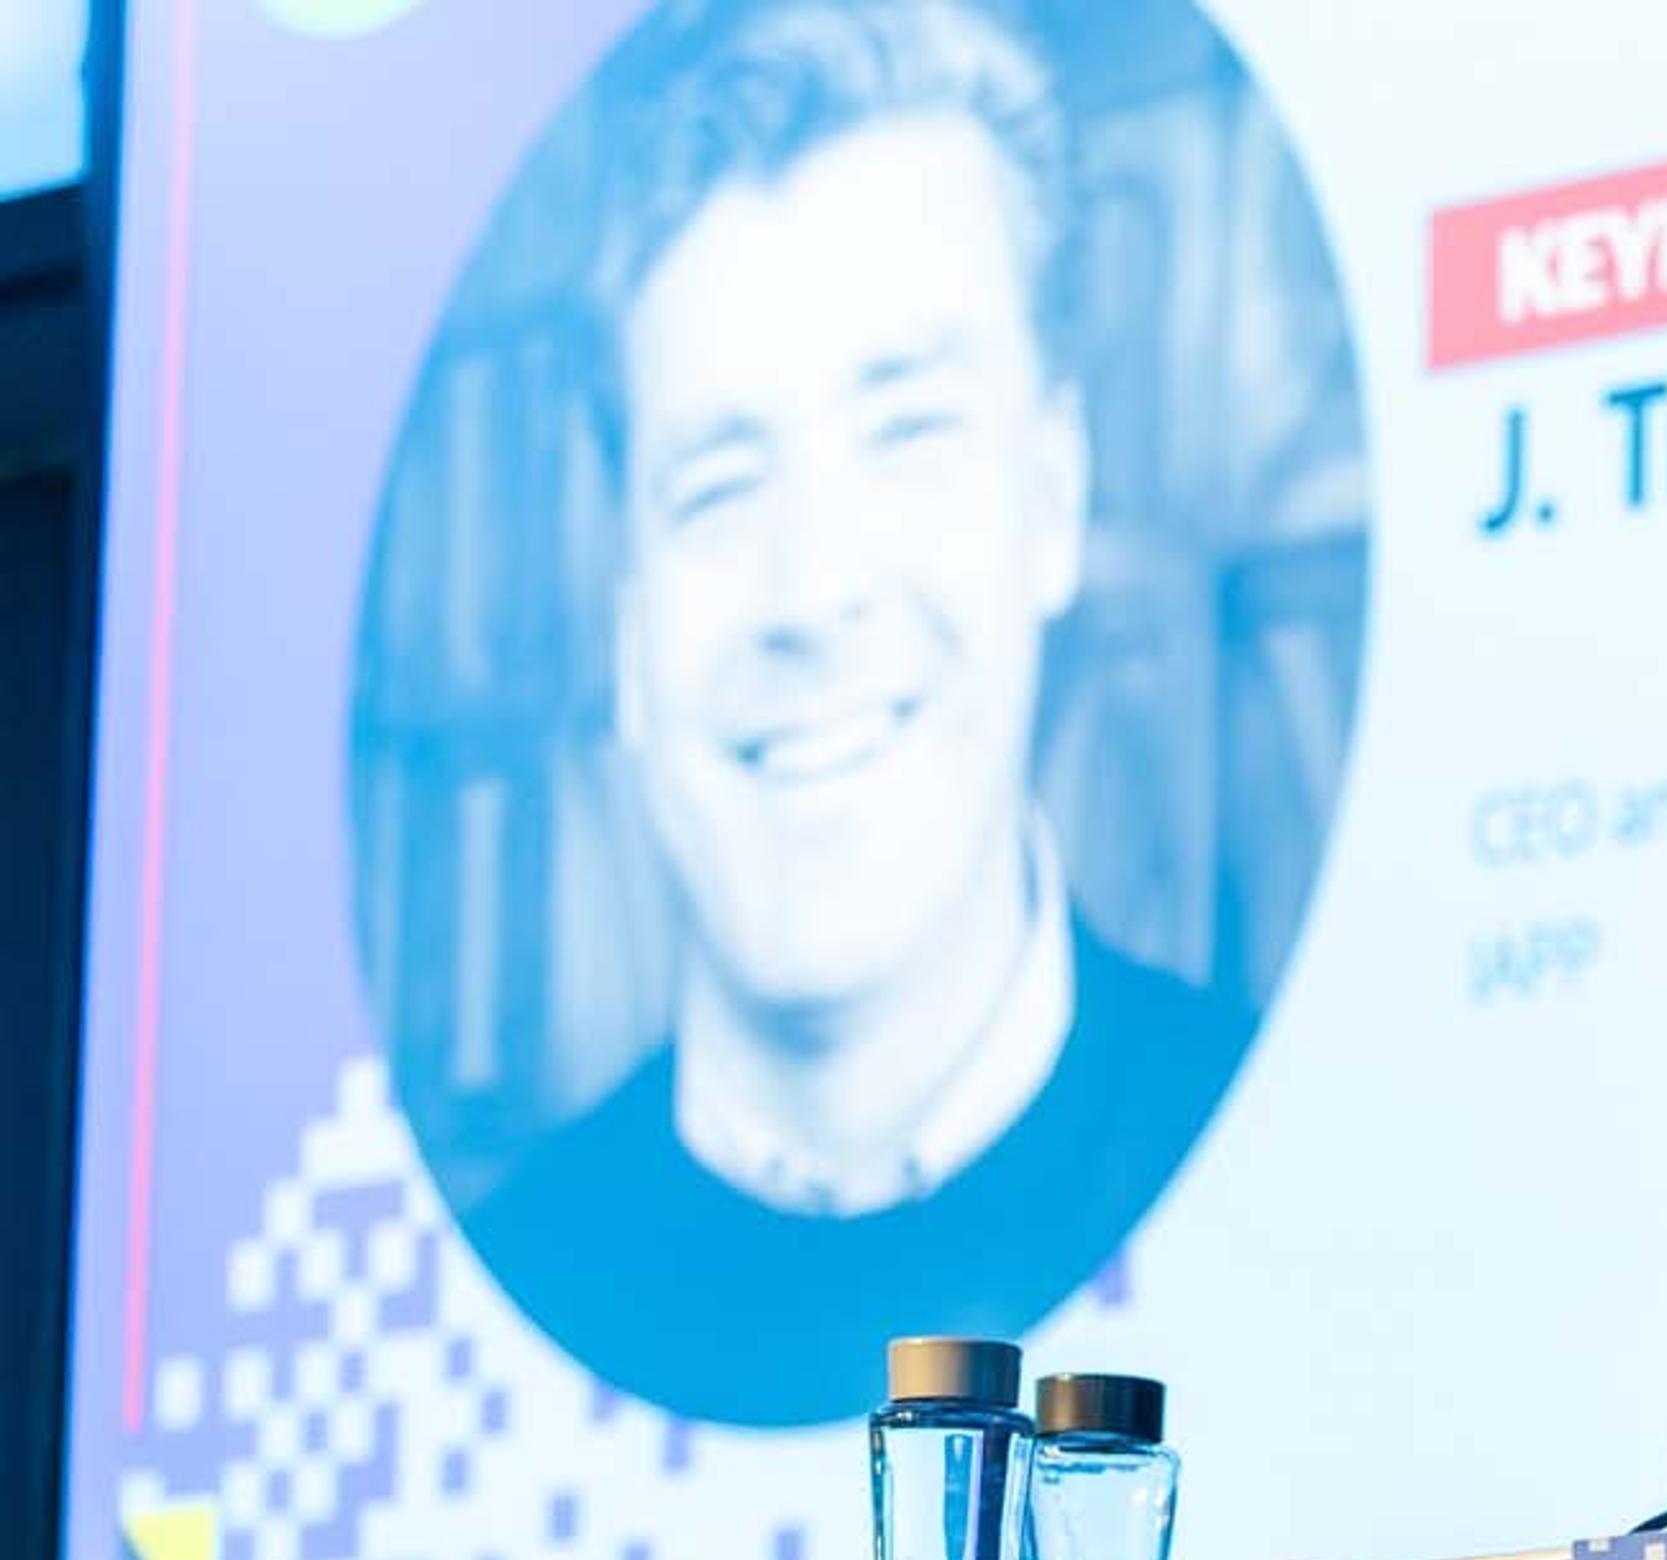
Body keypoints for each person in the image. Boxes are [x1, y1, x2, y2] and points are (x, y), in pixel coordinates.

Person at [466, 0, 1249, 1424]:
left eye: (909, 435)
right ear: (627, 617)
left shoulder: (1289, 1156)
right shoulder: (466, 1329)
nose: (809, 590)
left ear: (1055, 491)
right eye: (717, 484)